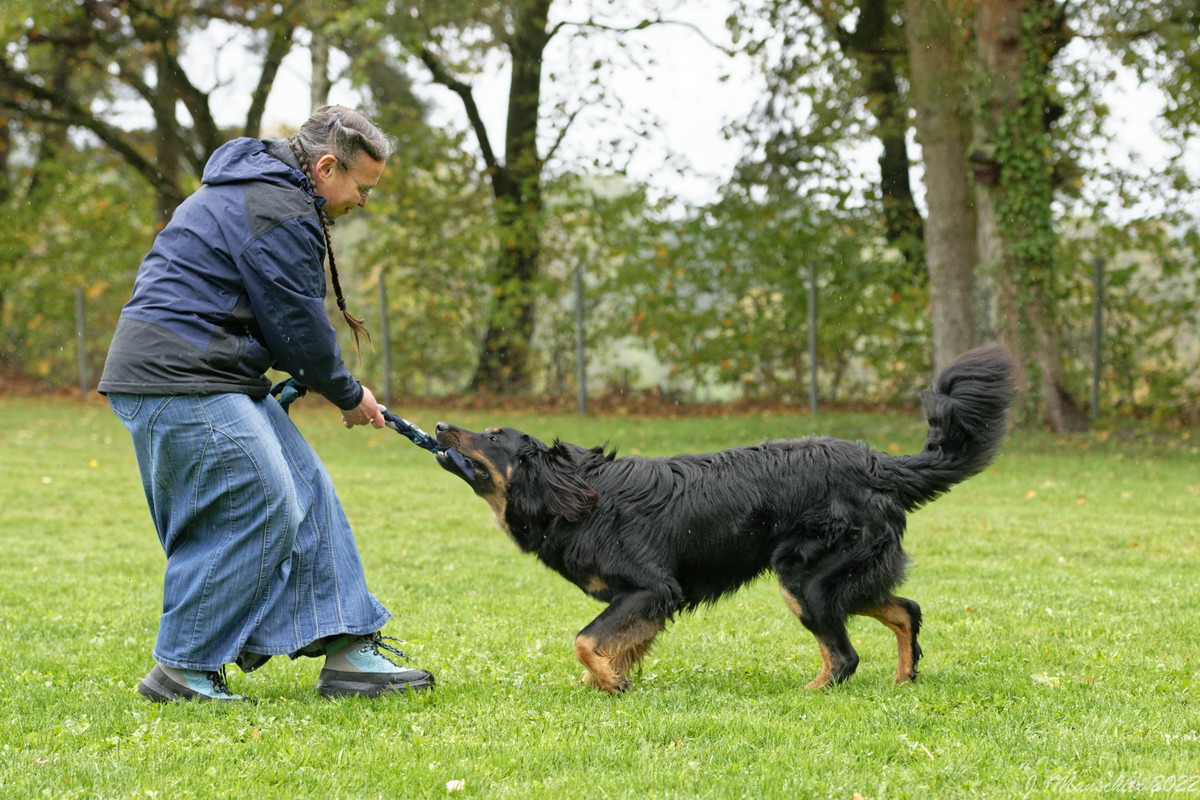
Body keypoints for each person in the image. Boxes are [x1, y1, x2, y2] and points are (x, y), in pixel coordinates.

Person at [98, 106, 434, 702]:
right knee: (268, 498)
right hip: (176, 374)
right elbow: (296, 327)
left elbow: (266, 315)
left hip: (209, 372)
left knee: (307, 486)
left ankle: (348, 647)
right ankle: (182, 669)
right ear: (327, 167)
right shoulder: (276, 206)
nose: (363, 200)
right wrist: (347, 395)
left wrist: (301, 376)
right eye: (361, 186)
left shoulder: (270, 194)